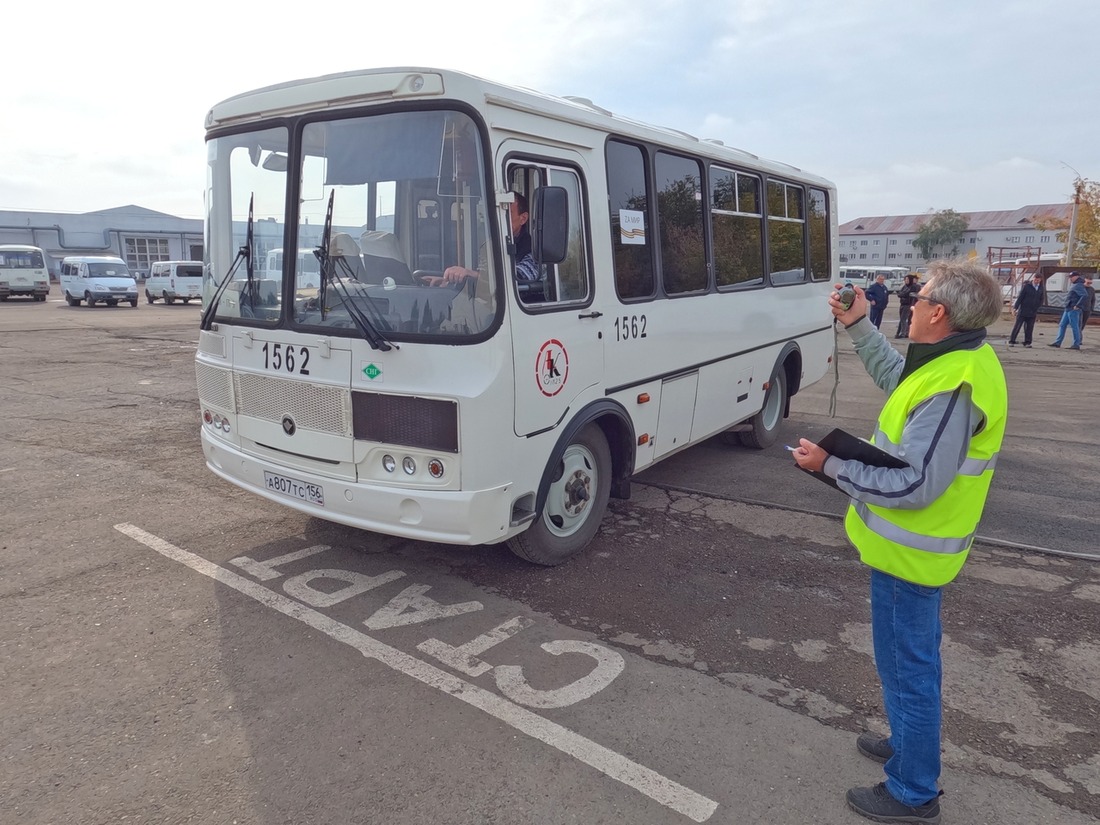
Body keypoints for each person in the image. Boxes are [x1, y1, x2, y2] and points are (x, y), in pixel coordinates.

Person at [790, 259, 1007, 825]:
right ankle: (907, 741)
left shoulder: (955, 387)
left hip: (912, 555)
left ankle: (913, 790)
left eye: (920, 298)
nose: (911, 303)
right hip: (910, 551)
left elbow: (912, 482)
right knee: (907, 661)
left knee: (908, 666)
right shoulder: (953, 359)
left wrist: (829, 465)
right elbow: (897, 379)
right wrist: (861, 323)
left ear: (939, 314)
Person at [430, 192, 540, 287]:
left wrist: (468, 273)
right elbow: (483, 280)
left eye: (506, 213)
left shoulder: (534, 249)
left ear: (523, 218)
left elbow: (517, 279)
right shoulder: (490, 245)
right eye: (495, 213)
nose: (498, 219)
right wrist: (447, 281)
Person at [1049, 271, 1088, 350]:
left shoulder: (1078, 285)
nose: (1070, 278)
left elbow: (1085, 295)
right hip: (1068, 308)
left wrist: (1078, 305)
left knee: (1074, 326)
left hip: (1073, 309)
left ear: (1076, 276)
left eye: (1071, 277)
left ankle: (1076, 344)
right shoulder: (1075, 284)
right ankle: (1058, 342)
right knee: (1062, 325)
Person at [1008, 273, 1044, 347]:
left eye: (1038, 280)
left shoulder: (1041, 288)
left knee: (1029, 328)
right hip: (1023, 310)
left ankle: (1027, 342)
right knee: (1017, 326)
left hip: (1032, 311)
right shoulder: (1027, 287)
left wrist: (1038, 306)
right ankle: (1012, 341)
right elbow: (1020, 297)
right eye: (1036, 279)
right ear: (1033, 278)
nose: (1037, 281)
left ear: (1040, 280)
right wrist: (1015, 307)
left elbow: (1041, 298)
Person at [894, 274, 920, 339]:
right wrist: (902, 294)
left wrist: (902, 295)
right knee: (902, 319)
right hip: (903, 304)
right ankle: (900, 332)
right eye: (905, 279)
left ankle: (903, 333)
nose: (906, 281)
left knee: (904, 319)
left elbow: (907, 294)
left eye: (907, 279)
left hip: (908, 305)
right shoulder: (904, 286)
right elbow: (900, 294)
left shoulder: (913, 287)